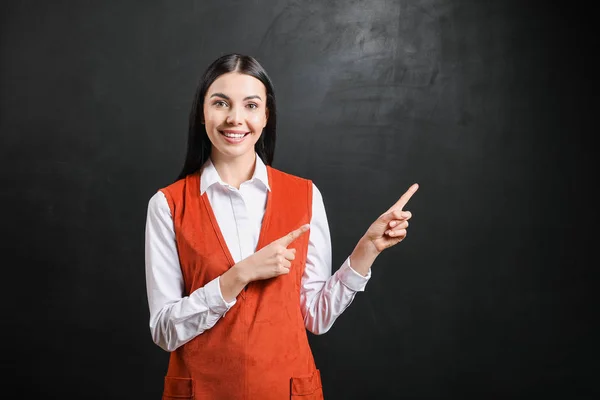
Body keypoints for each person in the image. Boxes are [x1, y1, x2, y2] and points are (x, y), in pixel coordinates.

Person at [144, 53, 418, 400]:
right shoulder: (168, 205)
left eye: (251, 105)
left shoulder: (303, 195)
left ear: (266, 115)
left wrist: (367, 250)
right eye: (220, 103)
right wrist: (238, 276)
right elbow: (165, 330)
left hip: (287, 390)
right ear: (202, 112)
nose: (235, 118)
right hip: (203, 391)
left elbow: (315, 317)